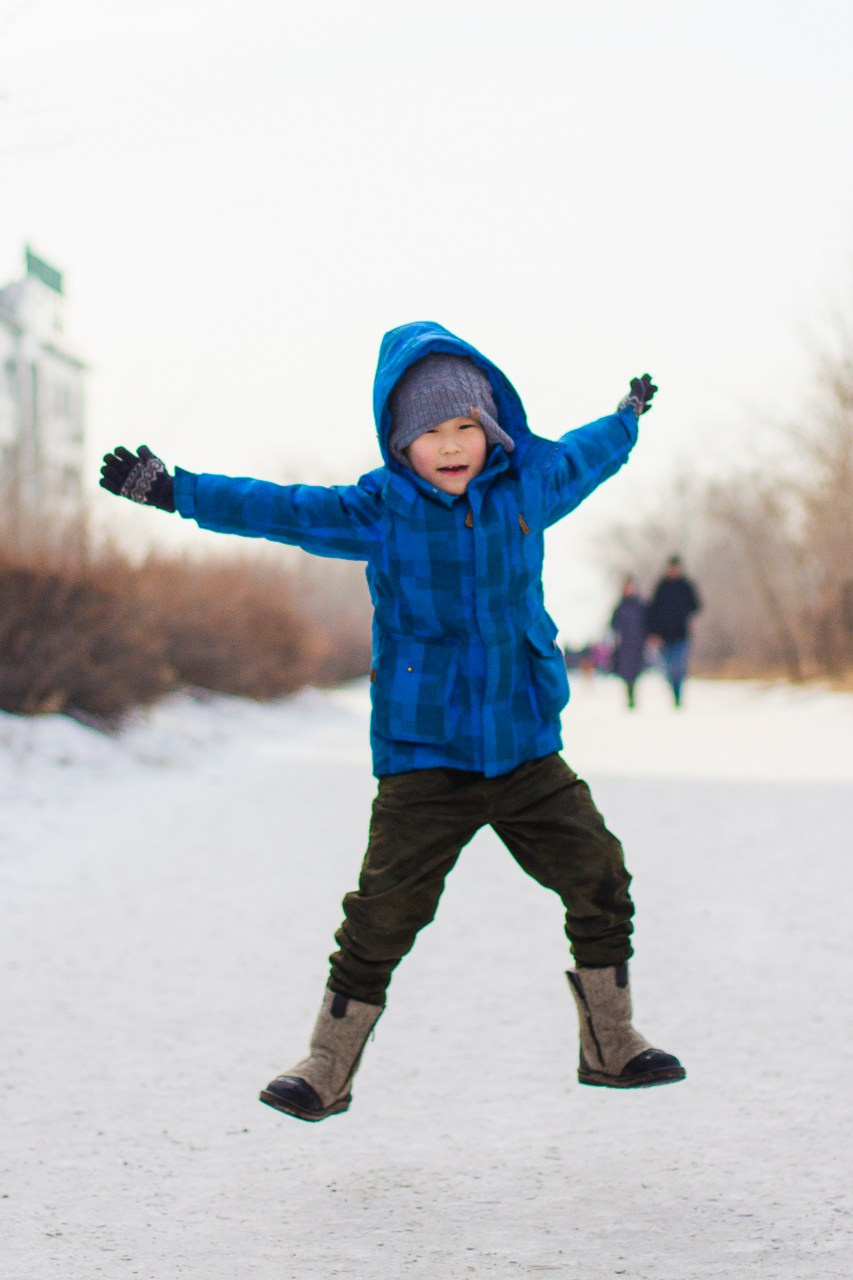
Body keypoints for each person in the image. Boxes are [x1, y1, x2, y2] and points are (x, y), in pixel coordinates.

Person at [100, 321, 685, 1123]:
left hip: (522, 749)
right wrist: (174, 490)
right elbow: (279, 508)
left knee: (599, 877)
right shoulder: (381, 511)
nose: (449, 447)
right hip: (424, 757)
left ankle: (610, 1043)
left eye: (464, 428)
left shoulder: (528, 487)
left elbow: (588, 453)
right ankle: (326, 1064)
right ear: (396, 443)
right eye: (427, 434)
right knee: (380, 913)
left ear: (489, 429)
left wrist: (626, 415)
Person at [647, 555, 702, 707]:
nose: (673, 571)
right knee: (667, 669)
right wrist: (653, 634)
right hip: (663, 637)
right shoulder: (661, 587)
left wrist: (683, 611)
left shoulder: (686, 586)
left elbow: (696, 606)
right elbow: (652, 612)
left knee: (678, 666)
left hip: (681, 635)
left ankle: (678, 695)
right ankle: (673, 691)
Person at [610, 576, 647, 708]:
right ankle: (629, 696)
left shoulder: (640, 605)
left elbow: (646, 623)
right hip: (624, 644)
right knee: (626, 671)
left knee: (636, 671)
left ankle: (633, 695)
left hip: (638, 643)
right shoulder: (619, 607)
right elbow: (613, 624)